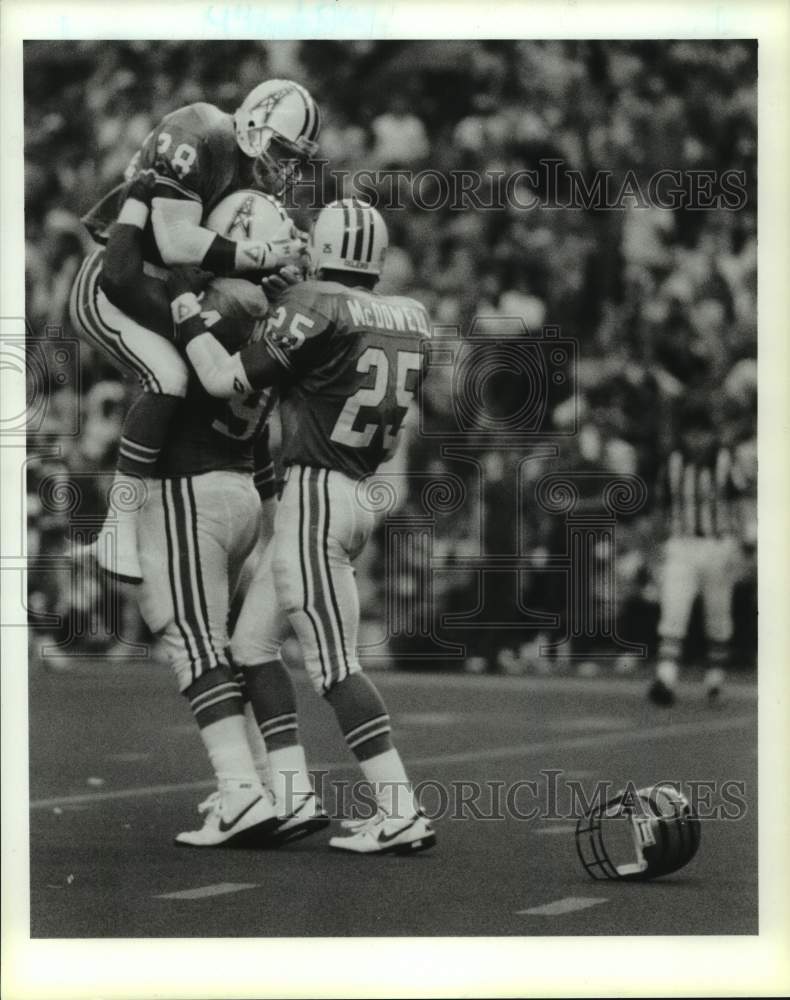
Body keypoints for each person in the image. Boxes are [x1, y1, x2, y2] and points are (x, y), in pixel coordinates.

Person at [167, 198, 437, 855]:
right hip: (352, 493)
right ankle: (291, 795)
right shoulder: (414, 316)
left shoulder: (315, 304)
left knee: (335, 666)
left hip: (314, 496)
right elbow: (337, 346)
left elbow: (228, 378)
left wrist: (184, 311)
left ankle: (400, 810)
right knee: (251, 647)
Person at [97, 175, 327, 847]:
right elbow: (262, 433)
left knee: (191, 644)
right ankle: (274, 789)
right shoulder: (279, 321)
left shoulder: (209, 302)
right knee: (220, 643)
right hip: (240, 494)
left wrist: (139, 203)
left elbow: (115, 278)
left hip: (187, 491)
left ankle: (241, 793)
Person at [69, 80, 320, 583]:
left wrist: (278, 273)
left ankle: (263, 526)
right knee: (170, 377)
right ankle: (116, 529)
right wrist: (267, 255)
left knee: (233, 376)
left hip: (178, 288)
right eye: (281, 149)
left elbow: (231, 261)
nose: (284, 166)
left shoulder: (257, 183)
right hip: (119, 283)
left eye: (294, 157)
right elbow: (177, 241)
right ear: (255, 121)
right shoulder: (198, 133)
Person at [648, 400, 749, 707]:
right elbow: (661, 506)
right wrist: (656, 546)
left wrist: (745, 543)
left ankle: (715, 679)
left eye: (701, 434)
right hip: (681, 544)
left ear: (710, 434)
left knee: (717, 614)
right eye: (691, 434)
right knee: (673, 611)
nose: (696, 440)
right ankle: (665, 677)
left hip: (719, 545)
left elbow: (740, 503)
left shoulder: (726, 460)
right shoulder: (673, 462)